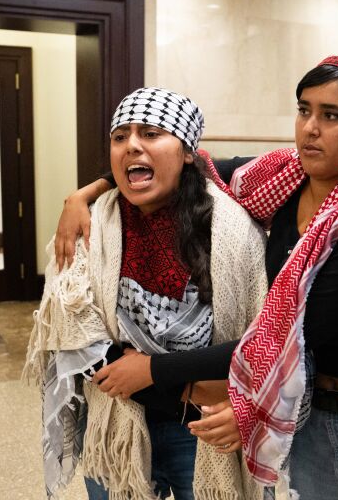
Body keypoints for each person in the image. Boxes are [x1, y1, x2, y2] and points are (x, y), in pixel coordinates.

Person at [55, 57, 338, 499]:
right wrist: (84, 194)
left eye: (332, 116)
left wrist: (154, 370)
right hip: (317, 412)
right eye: (304, 110)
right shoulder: (283, 182)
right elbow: (172, 160)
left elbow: (286, 338)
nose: (310, 128)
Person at [24, 87, 268, 500]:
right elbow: (72, 325)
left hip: (205, 427)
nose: (132, 145)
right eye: (120, 137)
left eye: (151, 133)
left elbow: (262, 333)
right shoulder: (92, 224)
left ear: (187, 151)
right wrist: (176, 387)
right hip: (117, 419)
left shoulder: (232, 230)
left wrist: (243, 406)